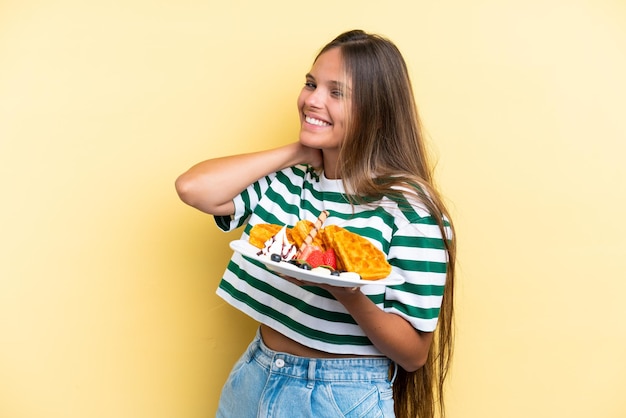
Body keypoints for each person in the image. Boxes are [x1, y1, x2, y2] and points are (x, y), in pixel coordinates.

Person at [176, 29, 456, 418]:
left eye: (336, 92)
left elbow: (413, 355)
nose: (312, 99)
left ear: (376, 111)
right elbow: (193, 188)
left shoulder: (410, 210)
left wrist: (346, 292)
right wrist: (300, 150)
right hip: (256, 373)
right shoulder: (289, 181)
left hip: (339, 394)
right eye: (311, 84)